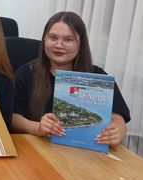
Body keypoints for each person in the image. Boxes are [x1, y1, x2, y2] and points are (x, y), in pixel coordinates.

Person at [12, 11, 131, 147]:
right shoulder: (27, 73)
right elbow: (12, 116)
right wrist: (37, 127)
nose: (59, 45)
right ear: (44, 39)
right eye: (53, 38)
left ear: (80, 44)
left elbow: (117, 117)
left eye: (68, 40)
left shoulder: (98, 77)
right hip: (40, 146)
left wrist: (117, 132)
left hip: (86, 152)